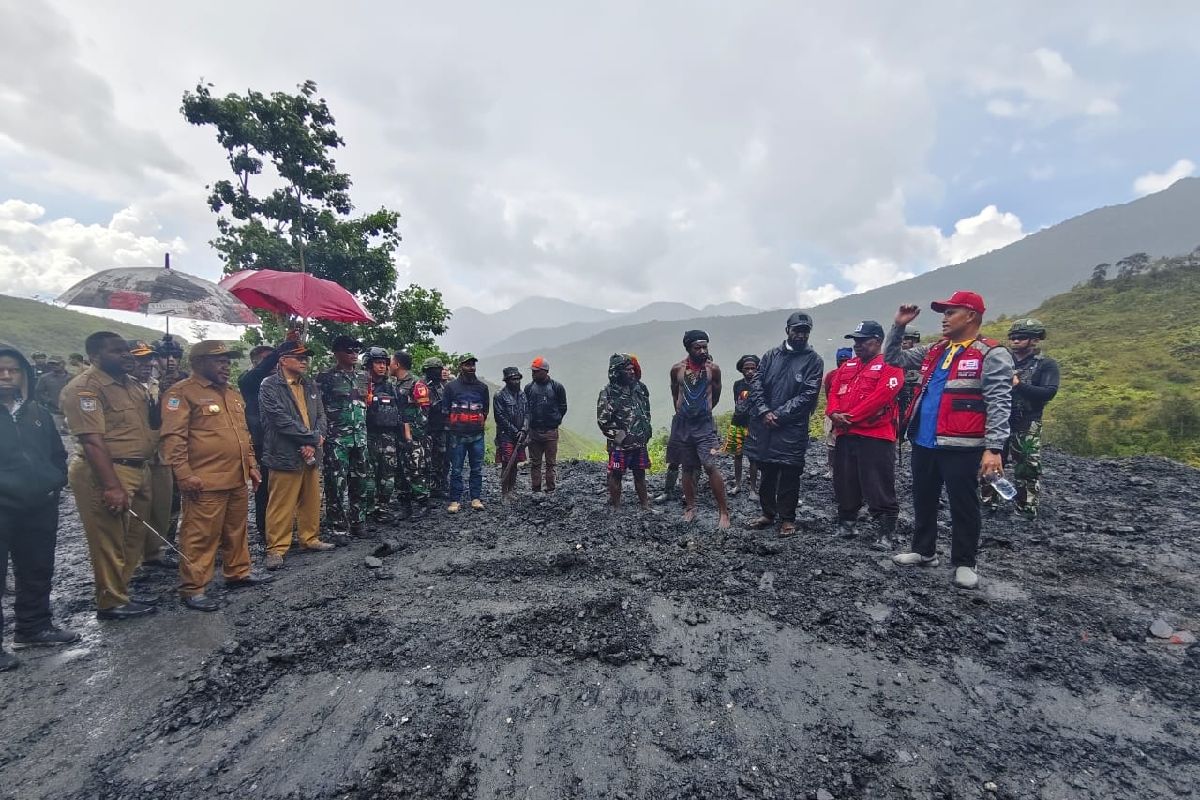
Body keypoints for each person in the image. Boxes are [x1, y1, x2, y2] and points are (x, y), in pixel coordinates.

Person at [884, 292, 1014, 590]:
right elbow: (893, 358)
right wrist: (898, 326)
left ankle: (965, 562)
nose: (944, 318)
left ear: (970, 315)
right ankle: (924, 550)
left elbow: (999, 402)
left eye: (950, 312)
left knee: (963, 503)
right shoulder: (935, 350)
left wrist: (994, 448)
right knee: (924, 496)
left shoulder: (990, 353)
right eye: (943, 313)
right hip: (924, 440)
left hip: (963, 445)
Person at [159, 342, 273, 611]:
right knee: (200, 534)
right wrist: (184, 474)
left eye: (227, 360)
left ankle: (238, 572)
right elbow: (173, 438)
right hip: (204, 479)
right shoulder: (181, 393)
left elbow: (242, 434)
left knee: (236, 529)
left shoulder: (232, 394)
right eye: (218, 360)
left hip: (236, 476)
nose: (225, 365)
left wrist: (251, 465)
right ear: (197, 362)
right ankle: (194, 588)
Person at [61, 332, 158, 619]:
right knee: (108, 537)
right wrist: (111, 485)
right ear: (94, 356)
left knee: (133, 536)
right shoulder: (85, 388)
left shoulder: (132, 386)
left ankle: (121, 589)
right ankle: (111, 602)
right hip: (108, 471)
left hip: (138, 468)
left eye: (126, 351)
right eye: (117, 352)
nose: (126, 355)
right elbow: (92, 441)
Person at [0, 342, 77, 670]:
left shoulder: (37, 413)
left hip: (39, 505)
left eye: (13, 370)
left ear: (24, 374)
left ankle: (33, 628)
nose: (6, 375)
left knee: (37, 567)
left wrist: (54, 483)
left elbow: (57, 454)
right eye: (0, 370)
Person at [827, 321, 905, 549]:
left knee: (877, 482)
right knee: (844, 480)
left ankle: (886, 532)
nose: (857, 345)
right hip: (845, 433)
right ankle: (847, 522)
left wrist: (850, 416)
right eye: (856, 341)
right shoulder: (848, 366)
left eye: (863, 340)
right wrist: (833, 413)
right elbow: (833, 391)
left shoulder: (891, 365)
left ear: (878, 341)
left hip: (875, 435)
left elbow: (882, 396)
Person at [746, 312, 824, 537]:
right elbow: (757, 384)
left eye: (805, 331)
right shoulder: (770, 355)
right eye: (797, 330)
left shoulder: (814, 360)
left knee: (790, 473)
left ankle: (787, 518)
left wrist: (778, 415)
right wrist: (764, 411)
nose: (800, 335)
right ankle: (768, 513)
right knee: (767, 471)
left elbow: (808, 395)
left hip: (792, 428)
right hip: (765, 426)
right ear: (787, 330)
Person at [258, 339, 331, 569]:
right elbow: (279, 420)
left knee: (311, 499)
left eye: (305, 358)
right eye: (298, 357)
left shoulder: (310, 385)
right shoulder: (269, 385)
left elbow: (321, 415)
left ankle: (309, 539)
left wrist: (316, 437)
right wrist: (309, 438)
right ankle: (276, 548)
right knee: (281, 503)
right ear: (282, 360)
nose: (304, 361)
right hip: (284, 453)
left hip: (310, 453)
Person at [984, 318, 1059, 517]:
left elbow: (1048, 392)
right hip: (998, 420)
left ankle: (1025, 507)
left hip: (1027, 422)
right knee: (989, 464)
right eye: (1013, 337)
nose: (1015, 341)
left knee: (1027, 467)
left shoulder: (1045, 365)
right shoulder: (1003, 360)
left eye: (1021, 338)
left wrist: (1018, 385)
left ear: (1034, 340)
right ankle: (988, 503)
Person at [668, 331, 730, 529]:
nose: (703, 351)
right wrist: (681, 412)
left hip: (704, 425)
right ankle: (691, 507)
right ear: (688, 348)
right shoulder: (677, 369)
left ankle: (723, 512)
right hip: (683, 425)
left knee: (710, 465)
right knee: (687, 467)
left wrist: (705, 410)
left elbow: (717, 394)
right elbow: (675, 393)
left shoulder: (713, 370)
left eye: (705, 347)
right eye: (698, 347)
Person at [316, 335, 371, 541]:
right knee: (335, 484)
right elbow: (318, 409)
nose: (354, 354)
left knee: (360, 482)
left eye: (356, 350)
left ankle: (359, 522)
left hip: (360, 438)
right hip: (337, 440)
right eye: (349, 350)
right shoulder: (325, 378)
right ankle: (338, 528)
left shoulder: (364, 377)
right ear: (336, 353)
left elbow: (366, 405)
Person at [129, 341, 176, 569]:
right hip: (135, 456)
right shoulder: (123, 388)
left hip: (160, 453)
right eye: (140, 359)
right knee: (136, 510)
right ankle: (131, 561)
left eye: (149, 359)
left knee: (161, 505)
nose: (147, 364)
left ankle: (154, 552)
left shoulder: (157, 385)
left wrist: (166, 393)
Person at [597, 353, 652, 510]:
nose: (632, 372)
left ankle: (645, 505)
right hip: (620, 446)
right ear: (617, 371)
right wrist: (620, 437)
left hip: (639, 441)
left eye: (632, 369)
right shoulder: (607, 392)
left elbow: (646, 410)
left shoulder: (639, 388)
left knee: (640, 473)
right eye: (628, 369)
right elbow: (603, 420)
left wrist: (646, 429)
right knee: (616, 474)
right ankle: (617, 507)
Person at [238, 344, 282, 538]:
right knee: (263, 487)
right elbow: (261, 372)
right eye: (267, 360)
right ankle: (265, 530)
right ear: (255, 363)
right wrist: (283, 348)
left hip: (280, 441)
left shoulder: (280, 382)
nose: (272, 364)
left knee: (282, 486)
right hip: (260, 442)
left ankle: (282, 526)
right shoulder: (248, 380)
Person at [443, 354, 490, 512]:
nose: (471, 368)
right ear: (460, 367)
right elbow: (445, 410)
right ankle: (455, 500)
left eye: (473, 365)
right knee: (456, 469)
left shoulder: (482, 388)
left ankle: (475, 498)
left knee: (476, 468)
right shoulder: (451, 387)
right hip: (457, 435)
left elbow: (485, 410)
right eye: (467, 365)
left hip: (477, 435)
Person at [363, 347, 400, 520]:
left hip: (388, 436)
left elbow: (399, 411)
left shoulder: (390, 387)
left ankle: (382, 507)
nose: (382, 366)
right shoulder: (362, 384)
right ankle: (368, 509)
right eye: (378, 363)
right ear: (369, 364)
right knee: (368, 476)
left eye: (385, 363)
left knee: (388, 476)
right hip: (368, 435)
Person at [390, 351, 426, 520]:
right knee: (399, 471)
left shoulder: (416, 383)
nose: (388, 365)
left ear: (397, 365)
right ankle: (405, 506)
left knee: (415, 468)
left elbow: (425, 408)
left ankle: (422, 503)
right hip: (396, 433)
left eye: (391, 361)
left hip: (414, 433)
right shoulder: (394, 384)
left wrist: (413, 432)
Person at [524, 356, 567, 494]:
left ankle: (550, 489)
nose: (533, 373)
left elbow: (563, 406)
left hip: (550, 432)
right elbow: (525, 408)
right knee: (535, 462)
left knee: (551, 463)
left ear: (545, 371)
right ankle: (536, 489)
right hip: (534, 432)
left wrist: (555, 420)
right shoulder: (529, 388)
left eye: (536, 371)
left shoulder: (557, 387)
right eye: (533, 371)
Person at [493, 366, 530, 500]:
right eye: (513, 379)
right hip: (506, 435)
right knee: (507, 462)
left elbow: (527, 413)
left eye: (518, 379)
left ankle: (512, 490)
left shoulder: (522, 394)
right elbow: (500, 417)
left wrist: (524, 430)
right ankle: (504, 492)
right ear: (507, 381)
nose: (516, 382)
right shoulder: (499, 396)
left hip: (520, 435)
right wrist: (515, 431)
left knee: (515, 463)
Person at [725, 355, 759, 496]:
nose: (750, 371)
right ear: (742, 370)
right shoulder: (737, 384)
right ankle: (738, 484)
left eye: (753, 368)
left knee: (753, 458)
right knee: (737, 455)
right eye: (747, 368)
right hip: (737, 423)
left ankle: (753, 489)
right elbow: (737, 403)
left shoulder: (760, 384)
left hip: (754, 425)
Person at [821, 347, 854, 479]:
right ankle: (831, 469)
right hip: (833, 413)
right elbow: (830, 393)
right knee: (831, 444)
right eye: (841, 360)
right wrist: (833, 412)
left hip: (850, 414)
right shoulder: (831, 375)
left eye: (847, 360)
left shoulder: (856, 374)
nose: (844, 363)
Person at [421, 357, 451, 500]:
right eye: (436, 369)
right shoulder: (422, 386)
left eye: (440, 368)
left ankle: (439, 485)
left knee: (442, 458)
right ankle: (428, 487)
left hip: (442, 428)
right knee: (427, 460)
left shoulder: (443, 386)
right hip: (427, 428)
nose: (439, 372)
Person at [34, 355, 72, 433]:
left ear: (63, 364)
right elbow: (39, 392)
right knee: (56, 435)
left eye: (56, 364)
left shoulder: (73, 377)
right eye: (51, 364)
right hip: (54, 413)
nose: (54, 366)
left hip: (72, 414)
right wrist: (49, 401)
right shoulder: (44, 378)